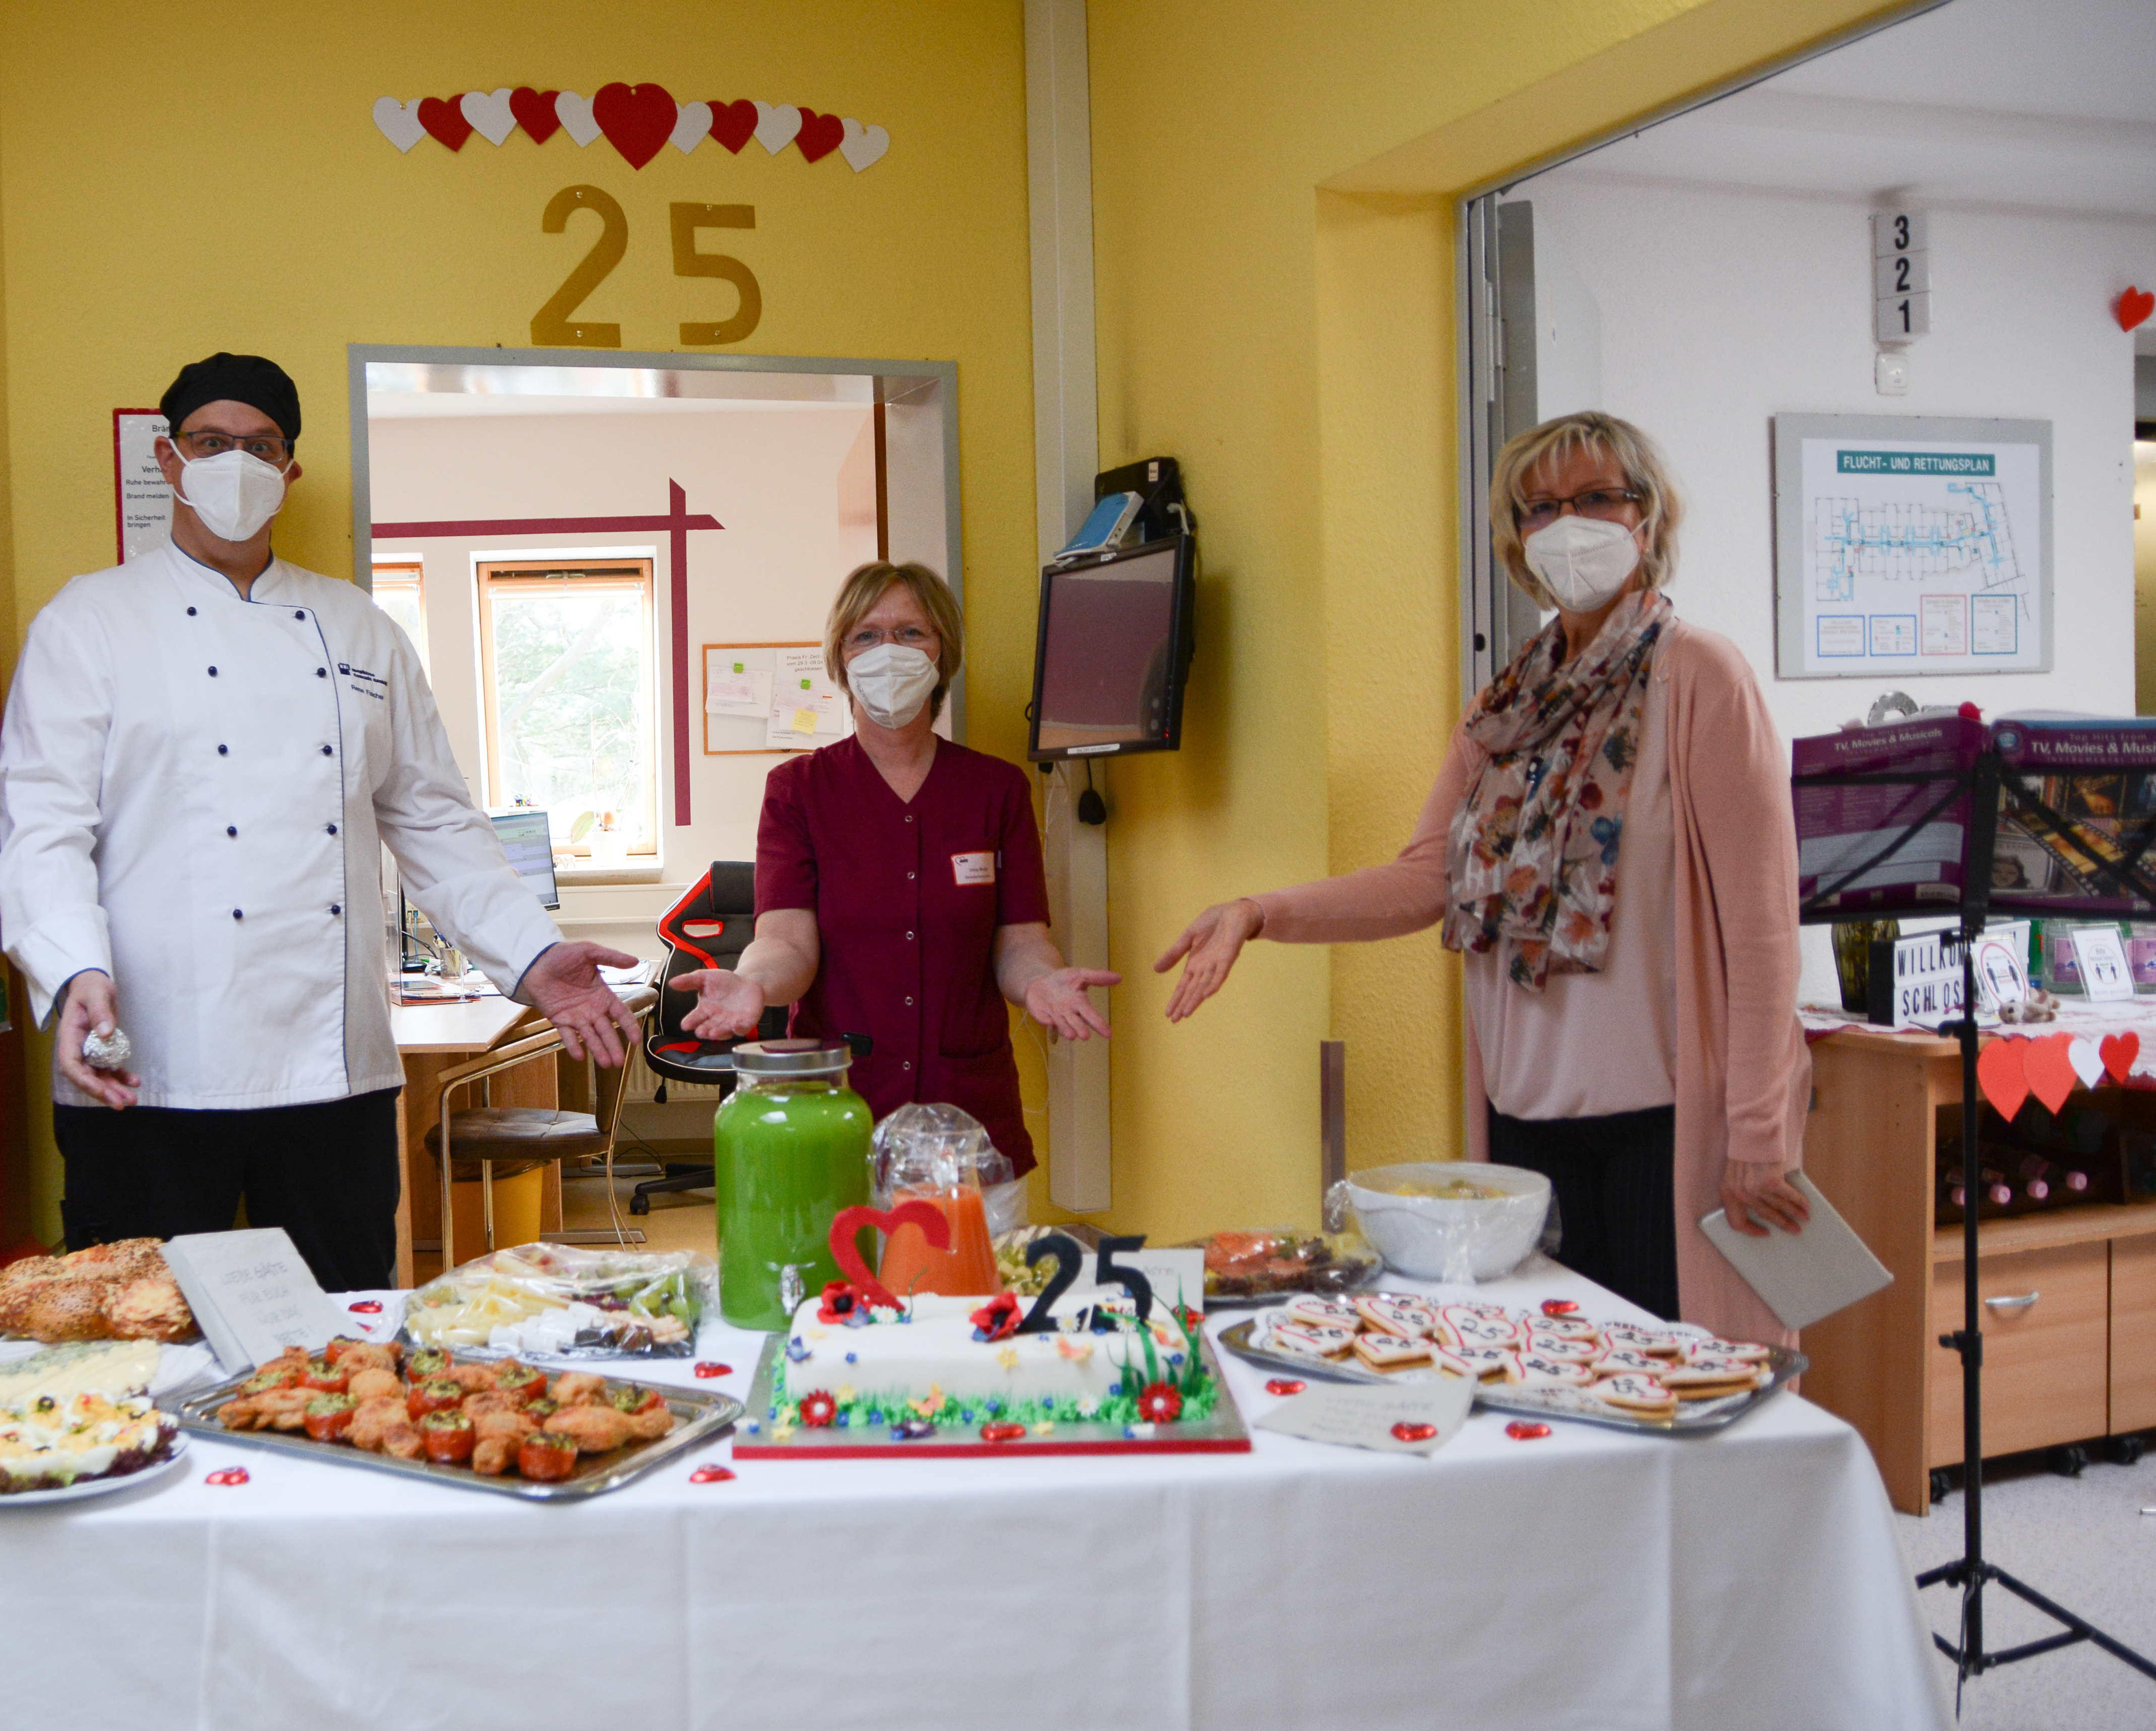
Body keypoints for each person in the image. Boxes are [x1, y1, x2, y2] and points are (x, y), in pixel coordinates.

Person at [1154, 411, 1809, 1343]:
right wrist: (1257, 911)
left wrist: (1756, 1130)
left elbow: (1761, 928)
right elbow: (1424, 878)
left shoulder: (1699, 677)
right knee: (1552, 1377)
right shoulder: (1505, 711)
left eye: (1593, 499)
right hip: (1525, 1127)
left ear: (1649, 520)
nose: (1565, 524)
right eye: (1537, 508)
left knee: (1681, 1392)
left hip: (1664, 1127)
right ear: (1516, 541)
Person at [0, 351, 641, 1290]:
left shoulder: (358, 628)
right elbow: (44, 823)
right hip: (144, 1066)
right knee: (145, 1341)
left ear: (289, 472)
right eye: (212, 442)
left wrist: (533, 956)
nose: (236, 462)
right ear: (169, 461)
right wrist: (70, 968)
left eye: (260, 445)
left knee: (347, 1329)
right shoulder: (88, 622)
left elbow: (434, 820)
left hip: (328, 1074)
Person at [671, 560, 1119, 1224]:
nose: (890, 651)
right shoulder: (799, 791)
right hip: (840, 1113)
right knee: (841, 1315)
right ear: (840, 658)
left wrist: (1041, 984)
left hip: (970, 1121)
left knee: (980, 1311)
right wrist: (754, 983)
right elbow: (786, 940)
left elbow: (1021, 942)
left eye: (912, 632)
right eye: (866, 635)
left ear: (943, 655)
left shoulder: (995, 791)